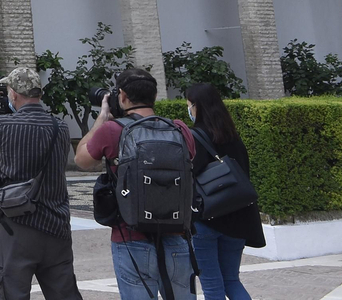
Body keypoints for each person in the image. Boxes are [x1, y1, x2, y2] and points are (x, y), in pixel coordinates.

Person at [75, 68, 196, 300]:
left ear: (121, 96)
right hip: (176, 235)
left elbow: (81, 159)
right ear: (154, 95)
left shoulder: (113, 130)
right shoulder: (180, 129)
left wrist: (101, 119)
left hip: (130, 238)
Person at [0, 67, 81, 300]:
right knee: (64, 293)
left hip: (18, 225)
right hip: (57, 224)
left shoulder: (3, 125)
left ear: (14, 94)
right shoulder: (60, 127)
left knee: (12, 291)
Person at [185, 83, 263, 300]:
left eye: (189, 105)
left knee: (212, 288)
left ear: (197, 107)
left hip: (206, 221)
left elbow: (188, 176)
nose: (189, 110)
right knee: (231, 280)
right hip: (238, 219)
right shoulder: (233, 137)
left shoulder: (194, 138)